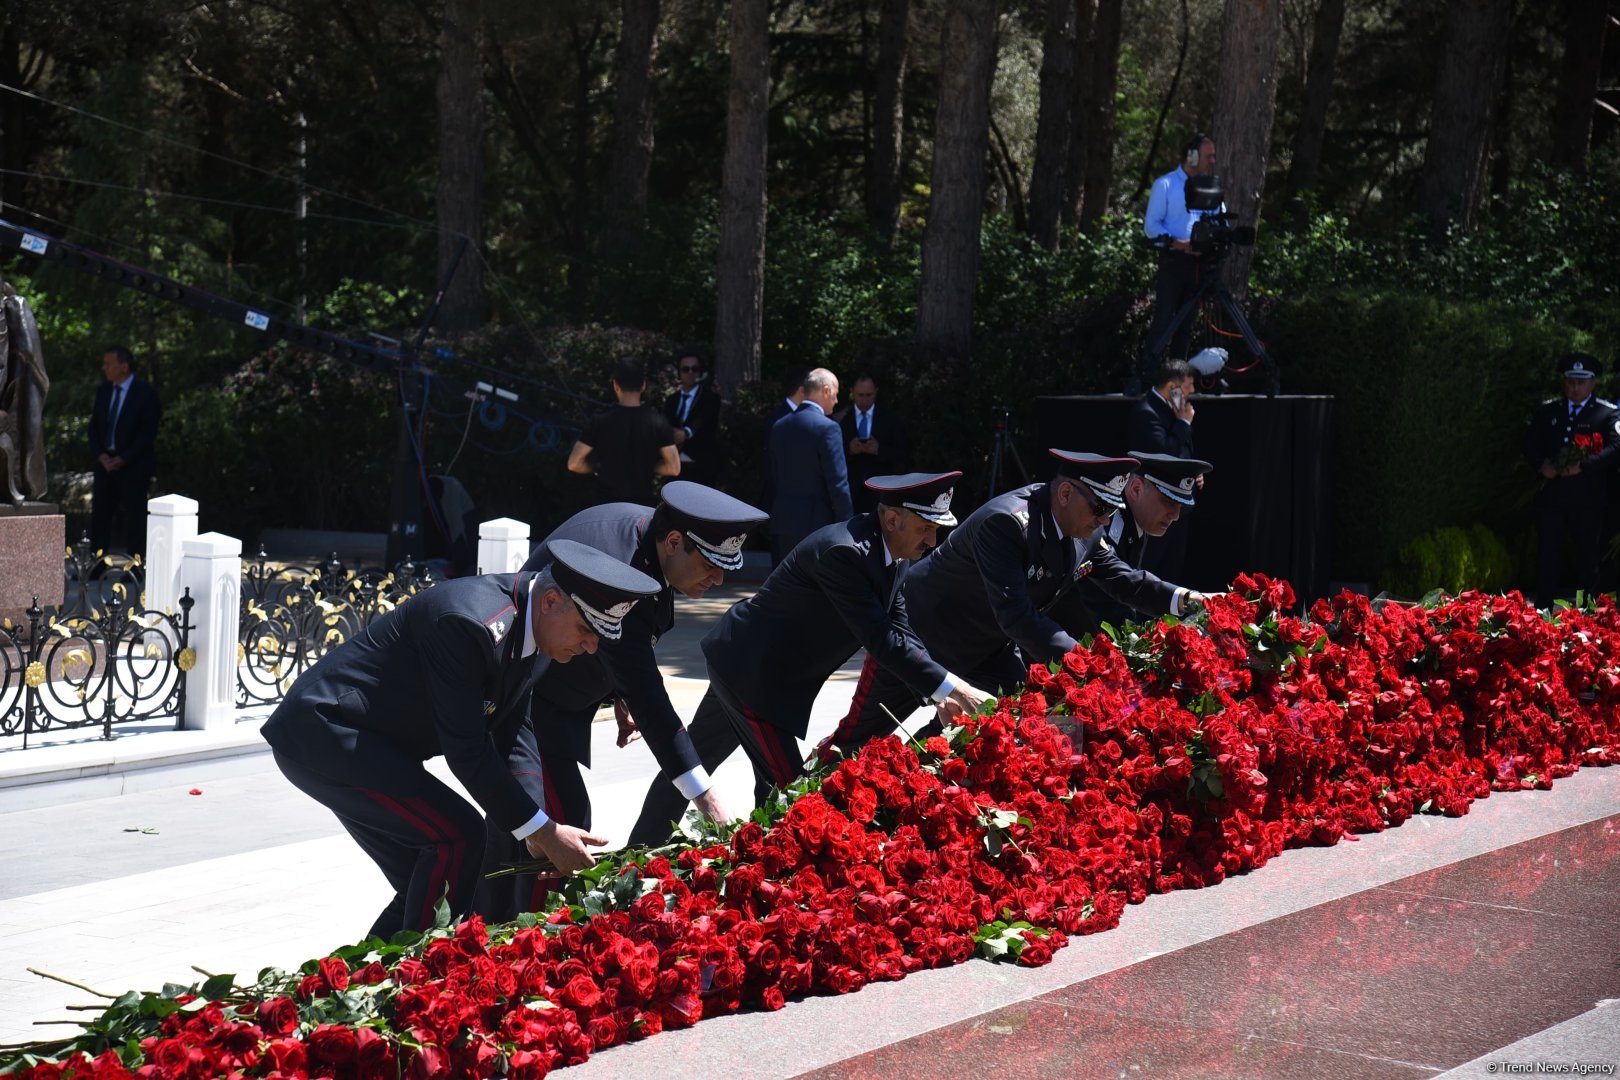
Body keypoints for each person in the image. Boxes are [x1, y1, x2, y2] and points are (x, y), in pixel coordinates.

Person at [261, 540, 660, 939]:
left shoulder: (535, 627)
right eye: (587, 630)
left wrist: (537, 831)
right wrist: (543, 832)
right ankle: (417, 984)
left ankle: (358, 990)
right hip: (326, 733)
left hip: (364, 742)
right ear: (551, 600)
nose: (591, 647)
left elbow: (515, 731)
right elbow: (468, 751)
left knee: (442, 887)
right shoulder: (469, 622)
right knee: (459, 837)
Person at [628, 472, 992, 846]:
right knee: (797, 799)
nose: (932, 541)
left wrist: (941, 694)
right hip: (754, 677)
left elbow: (901, 630)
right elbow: (880, 640)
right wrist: (954, 685)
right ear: (892, 519)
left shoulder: (894, 557)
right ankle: (690, 860)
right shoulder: (846, 553)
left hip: (753, 668)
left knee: (701, 767)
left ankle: (667, 852)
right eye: (926, 528)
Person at [476, 482, 768, 920]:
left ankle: (488, 935)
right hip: (525, 703)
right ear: (674, 542)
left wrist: (616, 690)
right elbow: (648, 693)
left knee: (533, 830)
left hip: (549, 697)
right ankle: (517, 945)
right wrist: (706, 797)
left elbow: (628, 645)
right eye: (710, 563)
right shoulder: (620, 562)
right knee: (556, 829)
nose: (720, 579)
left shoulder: (649, 541)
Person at [825, 451, 1205, 755]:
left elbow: (1126, 580)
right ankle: (798, 809)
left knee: (1007, 718)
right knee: (857, 742)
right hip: (920, 638)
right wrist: (1087, 664)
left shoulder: (1086, 529)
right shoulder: (1007, 522)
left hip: (988, 651)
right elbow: (1017, 616)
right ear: (1066, 494)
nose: (1105, 520)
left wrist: (1187, 601)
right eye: (1098, 510)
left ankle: (918, 782)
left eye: (1111, 511)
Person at [1069, 452, 1213, 634]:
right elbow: (1113, 596)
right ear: (1136, 489)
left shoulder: (1136, 521)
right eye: (1168, 502)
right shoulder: (1104, 525)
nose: (1175, 516)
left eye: (1180, 506)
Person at [1523, 353, 1620, 607]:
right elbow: (1529, 442)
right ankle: (1542, 613)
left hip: (1587, 499)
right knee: (1547, 556)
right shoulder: (1548, 411)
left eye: (1581, 382)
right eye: (1570, 382)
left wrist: (1585, 466)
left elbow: (1617, 445)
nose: (1575, 388)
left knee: (1588, 559)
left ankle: (1587, 618)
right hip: (1553, 498)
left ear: (1592, 383)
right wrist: (1542, 464)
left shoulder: (1606, 413)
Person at [1135, 134, 1217, 393]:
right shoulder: (1166, 185)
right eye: (1208, 156)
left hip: (1199, 265)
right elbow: (1151, 226)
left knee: (1186, 327)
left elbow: (1221, 218)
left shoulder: (1210, 187)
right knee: (1165, 321)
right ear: (1192, 156)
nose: (1212, 161)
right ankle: (1147, 377)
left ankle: (1178, 382)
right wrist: (1179, 243)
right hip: (1174, 261)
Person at [766, 367, 852, 563]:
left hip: (783, 521)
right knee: (815, 589)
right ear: (826, 390)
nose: (836, 401)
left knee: (785, 588)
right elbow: (838, 484)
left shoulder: (780, 425)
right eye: (836, 394)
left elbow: (774, 476)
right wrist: (847, 526)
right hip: (817, 524)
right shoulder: (828, 428)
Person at [568, 357, 680, 505]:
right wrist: (647, 466)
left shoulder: (600, 420)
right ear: (643, 386)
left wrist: (598, 468)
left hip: (606, 504)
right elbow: (673, 468)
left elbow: (574, 463)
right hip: (641, 506)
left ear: (615, 385)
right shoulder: (658, 422)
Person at [1128, 358, 1200, 579]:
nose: (1192, 392)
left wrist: (1193, 472)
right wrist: (1184, 424)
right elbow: (1165, 453)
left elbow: (1183, 450)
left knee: (1172, 567)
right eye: (1187, 387)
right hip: (1156, 505)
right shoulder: (1147, 411)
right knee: (1150, 567)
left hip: (1180, 503)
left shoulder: (1175, 410)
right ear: (1172, 387)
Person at [87, 345, 161, 557]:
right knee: (100, 515)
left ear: (124, 366)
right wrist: (100, 454)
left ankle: (134, 566)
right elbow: (94, 427)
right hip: (105, 464)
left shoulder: (145, 393)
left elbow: (147, 433)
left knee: (135, 517)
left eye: (109, 363)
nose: (105, 368)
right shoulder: (104, 391)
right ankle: (96, 563)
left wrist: (123, 458)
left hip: (133, 466)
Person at [838, 374, 908, 513]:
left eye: (869, 395)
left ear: (876, 392)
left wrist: (878, 450)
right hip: (851, 492)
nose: (864, 400)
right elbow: (831, 456)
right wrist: (849, 449)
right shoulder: (840, 419)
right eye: (860, 395)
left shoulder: (890, 418)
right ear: (852, 392)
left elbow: (903, 454)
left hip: (881, 491)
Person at [663, 350, 722, 487]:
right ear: (679, 373)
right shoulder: (671, 400)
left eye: (694, 369)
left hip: (700, 467)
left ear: (700, 372)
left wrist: (686, 433)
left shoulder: (710, 398)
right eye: (685, 369)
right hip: (674, 467)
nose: (690, 373)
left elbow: (702, 420)